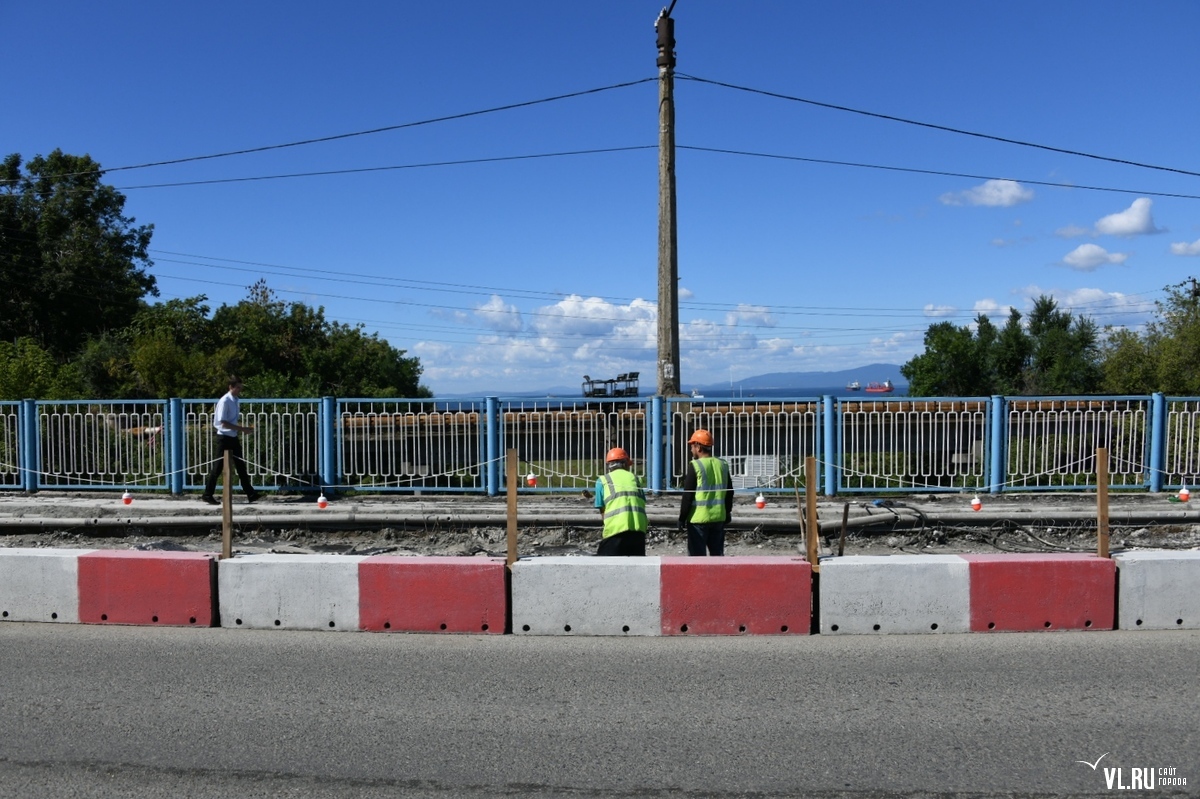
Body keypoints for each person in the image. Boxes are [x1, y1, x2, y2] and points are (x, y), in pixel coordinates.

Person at [202, 378, 261, 505]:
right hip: (224, 437)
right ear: (231, 387)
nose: (239, 390)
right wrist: (242, 429)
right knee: (218, 467)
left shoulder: (236, 400)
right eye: (237, 387)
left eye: (240, 388)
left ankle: (250, 493)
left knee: (240, 465)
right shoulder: (225, 401)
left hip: (232, 436)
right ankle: (207, 494)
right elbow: (223, 422)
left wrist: (239, 429)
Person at [678, 428, 733, 556]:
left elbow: (688, 495)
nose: (691, 449)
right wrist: (727, 512)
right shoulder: (723, 465)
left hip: (698, 520)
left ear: (698, 447)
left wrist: (682, 518)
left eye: (692, 445)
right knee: (717, 557)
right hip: (718, 518)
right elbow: (729, 492)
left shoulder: (696, 465)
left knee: (697, 559)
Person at [593, 447, 648, 556]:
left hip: (615, 531)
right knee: (636, 568)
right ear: (625, 464)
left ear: (609, 465)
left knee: (605, 567)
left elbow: (602, 509)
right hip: (638, 531)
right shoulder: (636, 479)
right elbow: (641, 502)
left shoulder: (603, 481)